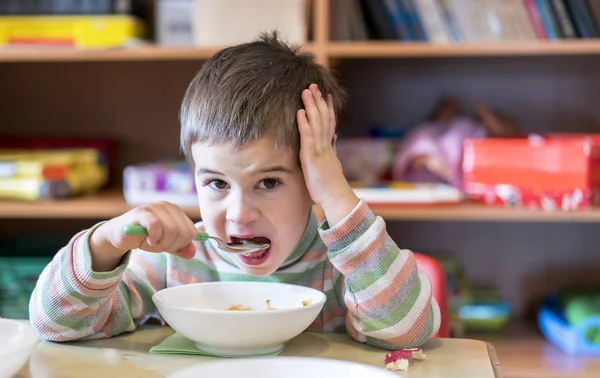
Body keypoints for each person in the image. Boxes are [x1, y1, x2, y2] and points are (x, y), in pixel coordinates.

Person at [29, 32, 440, 350]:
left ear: (313, 180)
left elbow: (409, 331)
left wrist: (335, 190)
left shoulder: (343, 269)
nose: (239, 214)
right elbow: (57, 324)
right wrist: (105, 244)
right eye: (217, 184)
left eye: (269, 182)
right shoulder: (175, 264)